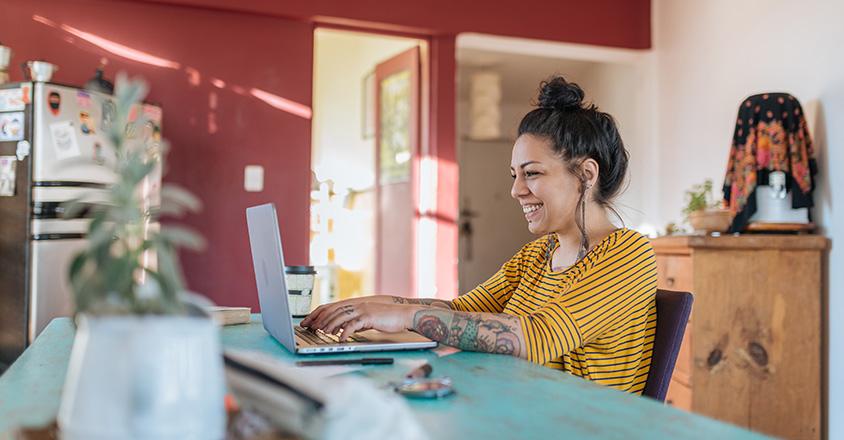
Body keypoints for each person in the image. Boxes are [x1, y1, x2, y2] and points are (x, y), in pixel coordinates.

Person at [302, 76, 657, 394]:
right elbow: (459, 311)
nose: (517, 190)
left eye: (531, 173)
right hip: (521, 411)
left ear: (586, 173)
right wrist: (365, 308)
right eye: (514, 175)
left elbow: (540, 338)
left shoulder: (628, 253)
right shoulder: (536, 256)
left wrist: (405, 317)